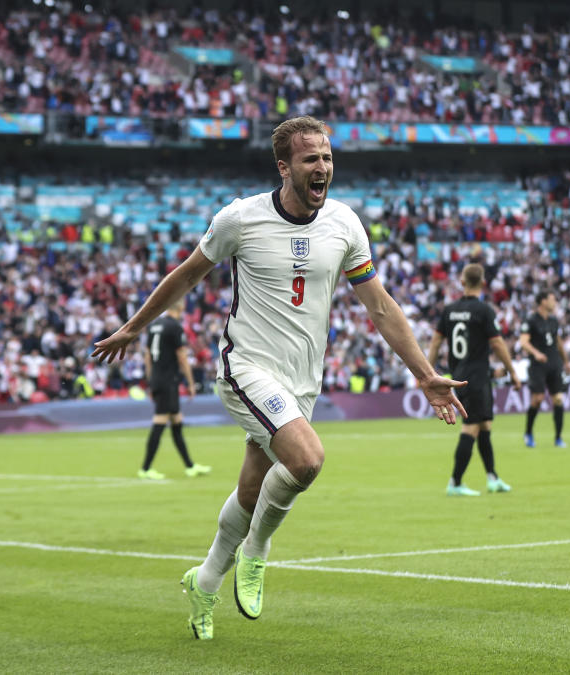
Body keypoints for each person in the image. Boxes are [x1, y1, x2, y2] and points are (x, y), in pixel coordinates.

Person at [92, 115, 466, 640]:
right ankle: (258, 552)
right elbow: (186, 274)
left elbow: (380, 306)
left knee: (250, 491)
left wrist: (425, 374)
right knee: (307, 459)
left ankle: (203, 582)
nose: (322, 167)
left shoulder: (344, 224)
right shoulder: (239, 220)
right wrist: (132, 328)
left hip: (302, 379)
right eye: (311, 158)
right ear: (284, 166)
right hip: (246, 366)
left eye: (328, 158)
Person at [428, 263, 522, 496]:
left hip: (462, 374)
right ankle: (455, 482)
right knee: (471, 427)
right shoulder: (484, 310)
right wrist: (512, 370)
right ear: (483, 283)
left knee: (484, 425)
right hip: (476, 379)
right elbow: (497, 343)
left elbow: (436, 341)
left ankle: (492, 478)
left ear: (462, 282)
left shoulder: (449, 310)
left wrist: (428, 372)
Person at [138, 299, 211, 480]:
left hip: (158, 378)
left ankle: (190, 466)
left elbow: (147, 356)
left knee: (177, 421)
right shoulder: (175, 327)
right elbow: (182, 358)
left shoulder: (155, 326)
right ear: (181, 307)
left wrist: (151, 379)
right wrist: (191, 383)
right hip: (168, 381)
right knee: (160, 421)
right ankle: (145, 469)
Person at [519, 289, 570, 448]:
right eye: (552, 299)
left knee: (558, 399)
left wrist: (566, 361)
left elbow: (558, 341)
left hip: (554, 362)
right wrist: (536, 353)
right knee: (538, 399)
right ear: (543, 301)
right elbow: (523, 342)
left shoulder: (554, 321)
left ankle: (558, 438)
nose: (554, 303)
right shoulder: (531, 320)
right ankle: (528, 433)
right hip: (538, 364)